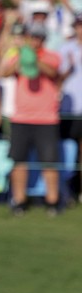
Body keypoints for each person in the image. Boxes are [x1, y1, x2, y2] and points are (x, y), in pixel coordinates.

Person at [0, 22, 62, 215]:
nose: (35, 40)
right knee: (19, 162)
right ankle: (19, 201)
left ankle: (52, 202)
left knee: (49, 163)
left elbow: (53, 72)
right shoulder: (20, 55)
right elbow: (4, 73)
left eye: (38, 37)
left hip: (47, 119)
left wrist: (34, 58)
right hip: (21, 118)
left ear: (43, 39)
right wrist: (20, 57)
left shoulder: (52, 56)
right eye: (32, 37)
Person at [58, 14, 82, 203]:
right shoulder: (65, 49)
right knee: (67, 152)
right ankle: (67, 191)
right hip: (68, 110)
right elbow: (57, 80)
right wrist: (69, 69)